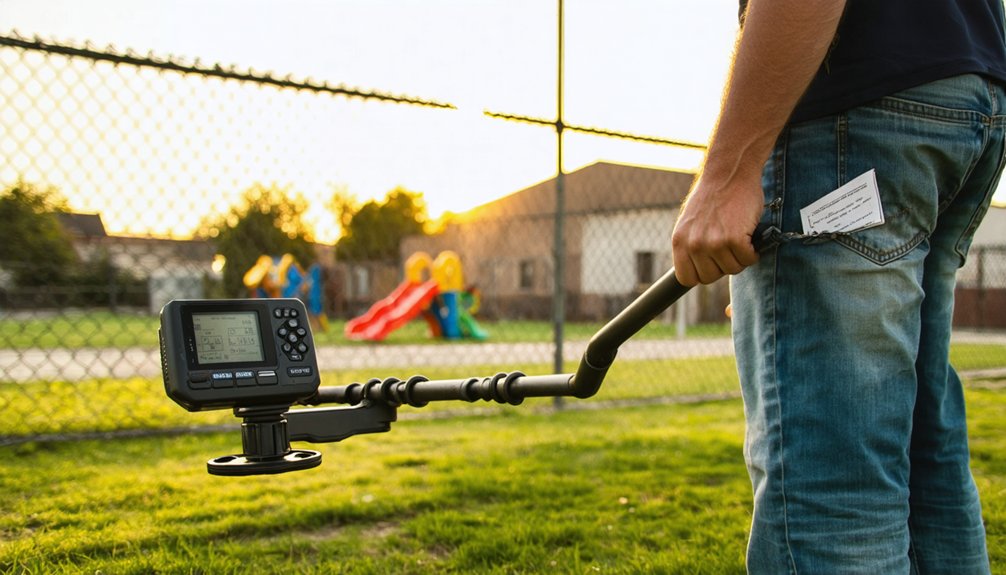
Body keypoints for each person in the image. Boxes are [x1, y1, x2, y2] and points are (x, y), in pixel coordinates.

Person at [671, 1, 1006, 572]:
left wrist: (729, 174)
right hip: (973, 96)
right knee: (928, 456)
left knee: (832, 487)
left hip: (858, 110)